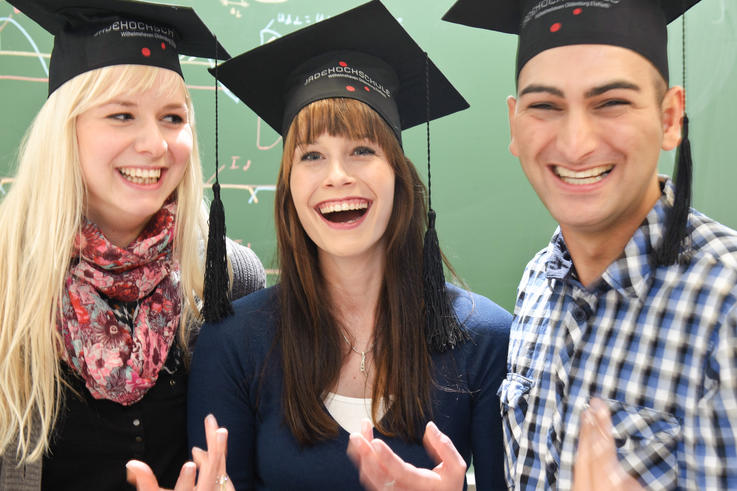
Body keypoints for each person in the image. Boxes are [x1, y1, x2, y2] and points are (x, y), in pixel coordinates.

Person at [351, 0, 737, 489]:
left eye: (611, 102)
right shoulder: (539, 283)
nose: (576, 142)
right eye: (545, 106)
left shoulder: (726, 308)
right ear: (514, 125)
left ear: (669, 118)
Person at [186, 1, 511, 490]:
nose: (337, 177)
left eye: (362, 150)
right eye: (312, 155)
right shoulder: (233, 346)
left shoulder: (483, 339)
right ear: (289, 186)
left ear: (399, 176)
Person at [0, 1, 265, 489]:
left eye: (171, 117)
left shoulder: (229, 277)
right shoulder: (6, 277)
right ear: (66, 129)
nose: (155, 144)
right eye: (122, 115)